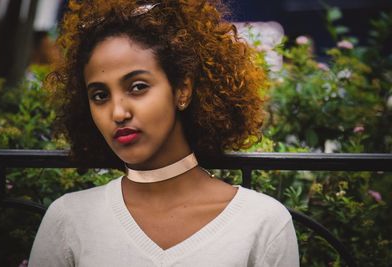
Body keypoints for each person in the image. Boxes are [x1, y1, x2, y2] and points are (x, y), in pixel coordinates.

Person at [29, 0, 299, 266]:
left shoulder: (262, 223)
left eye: (137, 87)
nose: (118, 112)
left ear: (182, 90)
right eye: (100, 95)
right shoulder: (69, 220)